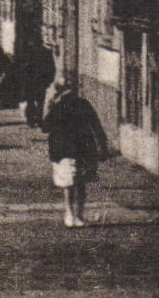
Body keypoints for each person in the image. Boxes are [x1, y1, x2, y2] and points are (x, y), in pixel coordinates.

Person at [42, 80, 109, 227]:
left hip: (69, 149)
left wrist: (49, 106)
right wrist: (102, 145)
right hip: (75, 149)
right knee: (76, 182)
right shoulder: (76, 104)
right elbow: (96, 125)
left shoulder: (64, 106)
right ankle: (74, 214)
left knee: (73, 182)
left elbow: (45, 127)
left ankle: (73, 214)